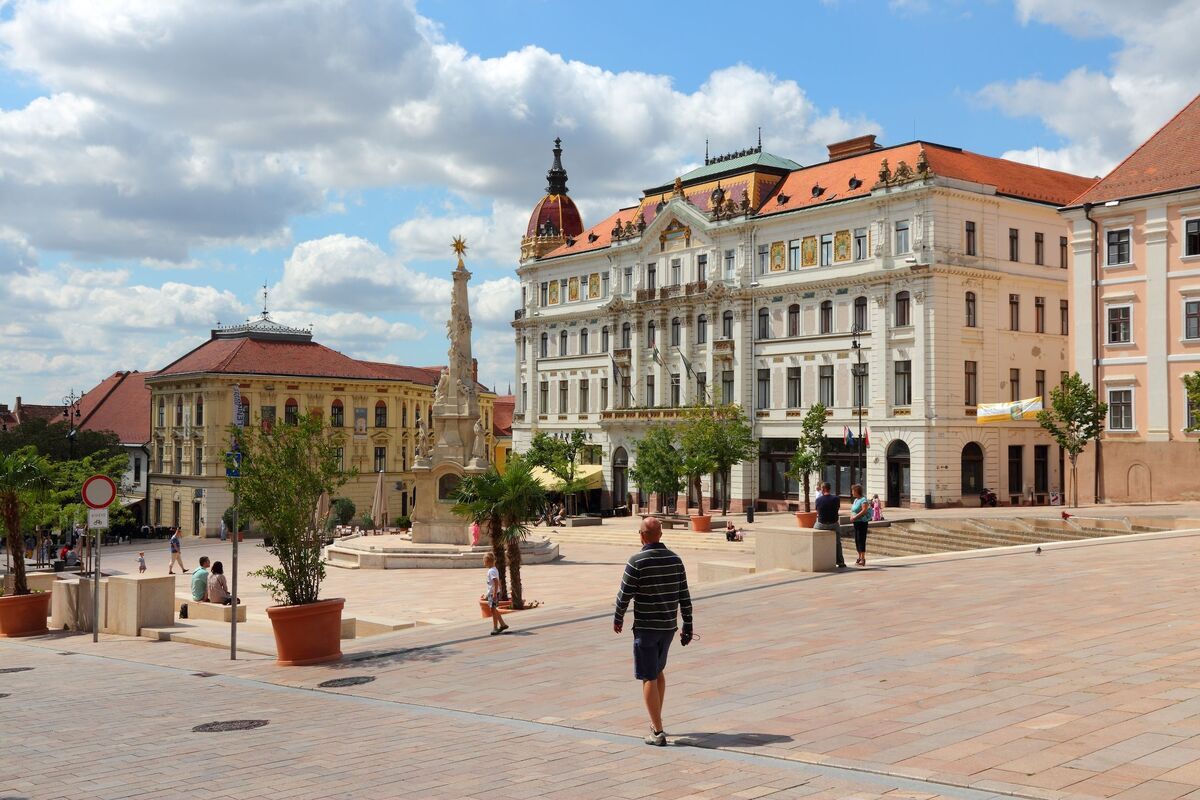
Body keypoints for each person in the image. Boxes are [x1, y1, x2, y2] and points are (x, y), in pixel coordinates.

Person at [614, 517, 694, 747]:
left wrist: (618, 618)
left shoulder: (636, 561)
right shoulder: (675, 560)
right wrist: (688, 625)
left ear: (642, 535)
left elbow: (623, 595)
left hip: (646, 628)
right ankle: (655, 720)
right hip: (668, 627)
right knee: (658, 671)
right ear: (660, 535)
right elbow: (684, 596)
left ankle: (657, 731)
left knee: (648, 676)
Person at [814, 482, 846, 569]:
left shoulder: (818, 500)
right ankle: (840, 562)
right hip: (834, 524)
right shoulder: (836, 499)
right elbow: (837, 509)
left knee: (813, 531)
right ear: (829, 489)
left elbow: (818, 511)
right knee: (838, 542)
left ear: (823, 489)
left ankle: (816, 559)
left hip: (821, 524)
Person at [483, 552, 508, 635]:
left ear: (488, 561)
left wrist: (494, 594)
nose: (484, 563)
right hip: (493, 593)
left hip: (493, 594)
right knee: (494, 609)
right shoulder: (494, 569)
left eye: (485, 561)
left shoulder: (491, 571)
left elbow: (496, 582)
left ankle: (495, 627)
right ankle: (502, 624)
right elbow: (497, 582)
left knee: (493, 610)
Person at [849, 484, 870, 567]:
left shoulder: (863, 500)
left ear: (857, 491)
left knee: (861, 539)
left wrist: (855, 517)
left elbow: (864, 510)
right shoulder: (855, 500)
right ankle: (859, 556)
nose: (852, 492)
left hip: (862, 522)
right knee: (857, 540)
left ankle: (863, 558)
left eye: (853, 491)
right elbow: (853, 510)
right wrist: (851, 516)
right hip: (856, 522)